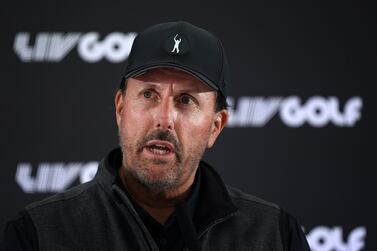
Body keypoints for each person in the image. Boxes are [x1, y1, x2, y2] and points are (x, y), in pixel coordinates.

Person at [1, 21, 310, 251]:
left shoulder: (275, 235)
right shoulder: (37, 235)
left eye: (186, 100)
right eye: (148, 94)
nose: (164, 119)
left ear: (216, 126)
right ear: (121, 108)